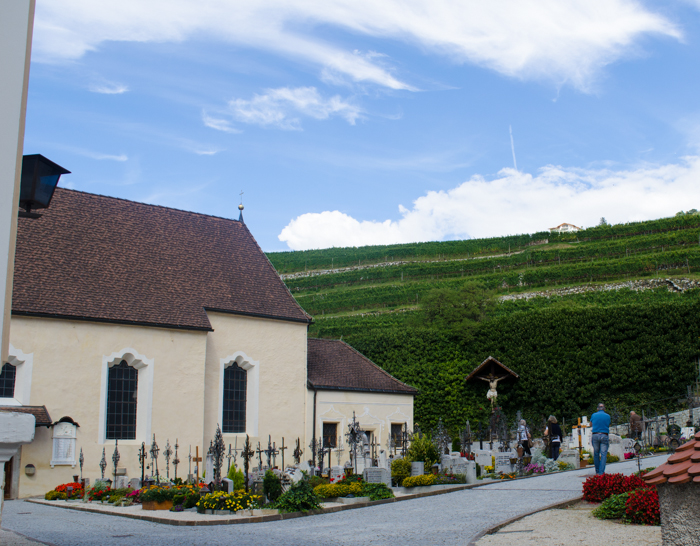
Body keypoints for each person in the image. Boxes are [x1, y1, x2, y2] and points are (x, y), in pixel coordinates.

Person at [591, 403, 611, 474]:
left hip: (595, 434)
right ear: (604, 409)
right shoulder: (607, 416)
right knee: (603, 454)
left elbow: (591, 424)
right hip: (604, 434)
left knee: (596, 453)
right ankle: (601, 472)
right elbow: (608, 424)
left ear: (597, 409)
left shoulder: (593, 415)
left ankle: (597, 471)